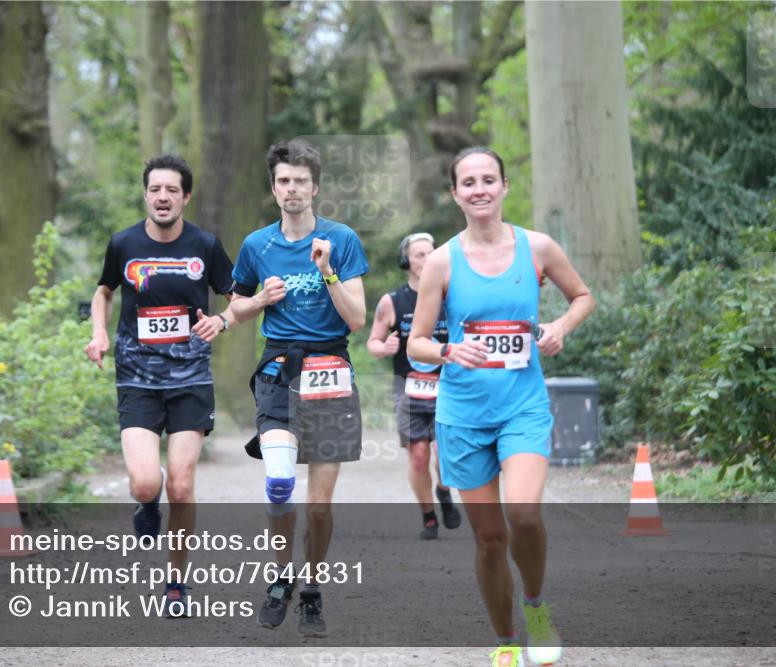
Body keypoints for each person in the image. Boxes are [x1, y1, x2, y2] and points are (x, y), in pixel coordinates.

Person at [407, 147, 595, 667]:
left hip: (523, 407)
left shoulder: (537, 248)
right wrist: (448, 349)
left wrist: (559, 327)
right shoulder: (442, 261)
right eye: (468, 182)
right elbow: (416, 343)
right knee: (490, 540)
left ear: (505, 186)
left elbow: (582, 296)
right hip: (463, 416)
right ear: (455, 194)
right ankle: (507, 639)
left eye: (488, 179)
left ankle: (536, 609)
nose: (480, 189)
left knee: (525, 516)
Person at [84, 154, 239, 617]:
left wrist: (222, 321)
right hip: (137, 378)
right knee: (147, 483)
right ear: (146, 194)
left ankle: (176, 582)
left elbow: (240, 299)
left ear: (185, 197)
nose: (163, 197)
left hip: (191, 378)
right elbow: (104, 291)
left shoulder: (205, 246)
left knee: (183, 484)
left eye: (173, 190)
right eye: (156, 189)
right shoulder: (124, 243)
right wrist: (98, 331)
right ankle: (145, 504)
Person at [229, 139, 368, 638]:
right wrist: (259, 299)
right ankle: (280, 576)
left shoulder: (342, 239)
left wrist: (326, 269)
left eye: (301, 181)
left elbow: (356, 318)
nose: (292, 189)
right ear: (274, 188)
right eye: (284, 181)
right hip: (278, 370)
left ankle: (311, 587)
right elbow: (235, 310)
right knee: (281, 482)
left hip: (330, 366)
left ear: (315, 187)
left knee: (319, 505)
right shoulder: (256, 246)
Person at [366, 232, 461, 540]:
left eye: (430, 253)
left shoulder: (454, 295)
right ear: (406, 260)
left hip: (447, 387)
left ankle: (444, 491)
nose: (425, 259)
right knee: (419, 455)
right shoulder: (392, 302)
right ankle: (429, 516)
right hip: (408, 389)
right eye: (418, 254)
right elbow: (373, 343)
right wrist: (384, 349)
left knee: (444, 453)